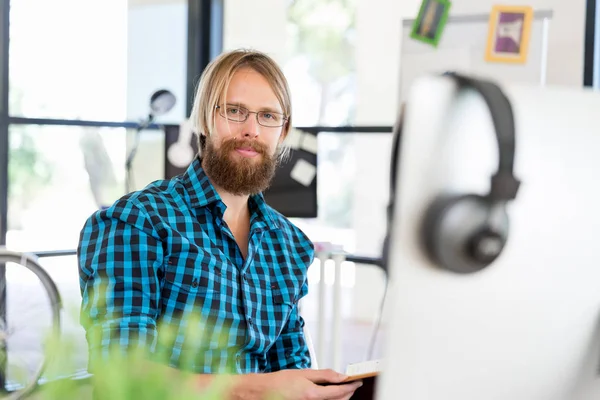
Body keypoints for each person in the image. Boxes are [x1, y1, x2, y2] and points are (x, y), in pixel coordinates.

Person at [77, 48, 362, 400]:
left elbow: (291, 368)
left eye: (268, 116)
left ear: (283, 131)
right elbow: (119, 375)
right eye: (234, 111)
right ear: (204, 120)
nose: (251, 130)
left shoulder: (290, 245)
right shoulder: (138, 222)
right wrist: (257, 389)